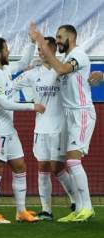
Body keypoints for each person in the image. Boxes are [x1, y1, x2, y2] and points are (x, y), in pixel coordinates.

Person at [30, 23, 96, 222]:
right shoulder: (68, 57)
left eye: (59, 37)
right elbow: (55, 72)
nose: (57, 40)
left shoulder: (79, 55)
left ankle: (87, 207)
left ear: (71, 37)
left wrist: (41, 41)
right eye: (56, 37)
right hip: (69, 115)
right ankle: (79, 208)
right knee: (68, 162)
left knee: (74, 161)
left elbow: (60, 68)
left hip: (81, 113)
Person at [0, 30, 43, 223]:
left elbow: (23, 64)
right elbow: (4, 104)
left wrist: (31, 42)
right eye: (6, 48)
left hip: (9, 128)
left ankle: (21, 211)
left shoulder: (5, 70)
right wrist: (33, 106)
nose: (9, 51)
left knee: (20, 166)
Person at [14, 37, 76, 220]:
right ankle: (46, 210)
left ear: (53, 50)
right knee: (42, 167)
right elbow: (11, 85)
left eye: (43, 49)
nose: (40, 53)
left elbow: (81, 81)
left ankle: (76, 199)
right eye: (38, 50)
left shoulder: (63, 70)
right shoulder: (33, 73)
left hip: (59, 127)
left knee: (57, 168)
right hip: (40, 128)